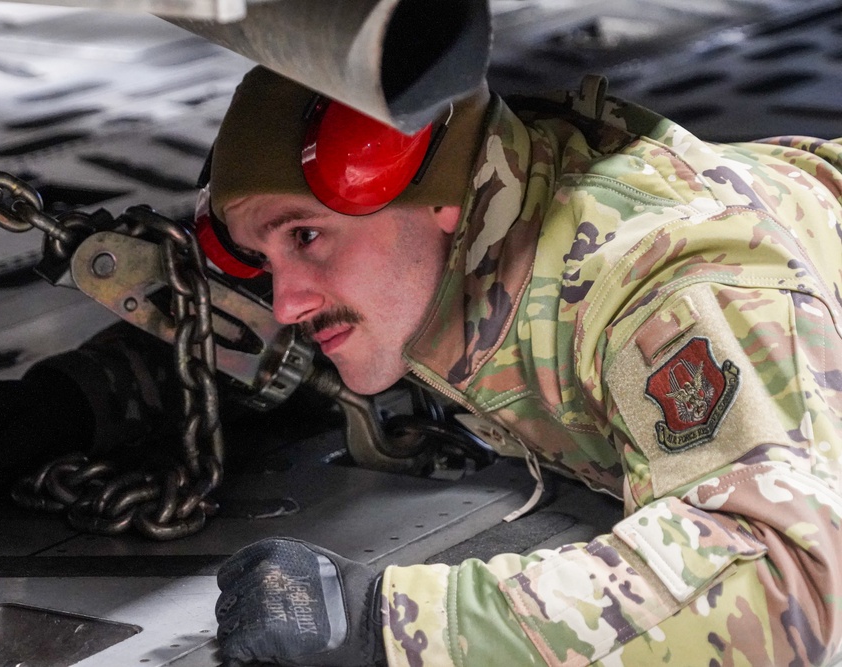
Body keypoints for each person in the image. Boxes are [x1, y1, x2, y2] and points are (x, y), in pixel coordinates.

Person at [207, 66, 842, 666]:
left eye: (306, 236)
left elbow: (789, 580)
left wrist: (391, 625)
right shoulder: (496, 241)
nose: (286, 304)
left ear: (435, 195)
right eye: (264, 261)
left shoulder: (665, 281)